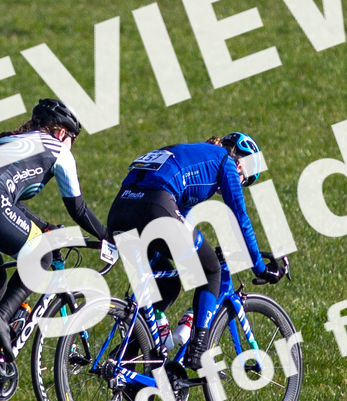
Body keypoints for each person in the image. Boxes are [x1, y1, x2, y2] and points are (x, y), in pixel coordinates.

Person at [0, 97, 116, 363]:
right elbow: (77, 208)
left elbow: (11, 201)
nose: (72, 146)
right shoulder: (58, 148)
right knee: (42, 255)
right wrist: (107, 236)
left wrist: (43, 226)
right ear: (61, 132)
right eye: (73, 139)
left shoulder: (6, 141)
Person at [106, 132, 289, 385]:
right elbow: (240, 217)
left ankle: (128, 359)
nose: (241, 178)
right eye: (245, 171)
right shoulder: (224, 161)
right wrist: (258, 266)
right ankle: (199, 351)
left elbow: (181, 219)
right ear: (236, 154)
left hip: (119, 211)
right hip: (155, 205)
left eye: (246, 180)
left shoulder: (193, 155)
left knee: (168, 285)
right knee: (211, 270)